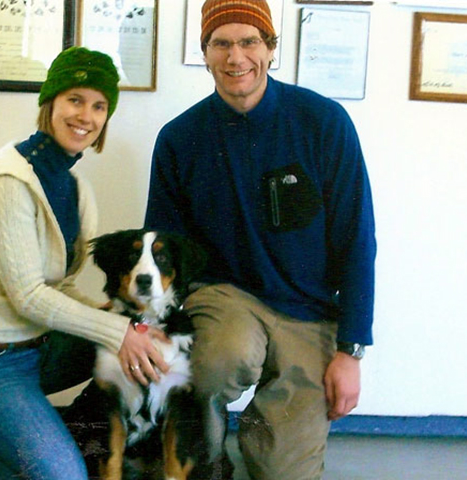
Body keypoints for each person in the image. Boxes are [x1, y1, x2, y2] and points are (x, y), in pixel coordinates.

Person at [144, 1, 377, 479]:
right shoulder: (178, 138)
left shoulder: (324, 122)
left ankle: (262, 434)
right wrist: (151, 326)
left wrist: (350, 351)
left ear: (271, 49)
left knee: (284, 473)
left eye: (249, 41)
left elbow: (357, 238)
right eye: (221, 44)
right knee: (214, 364)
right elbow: (162, 249)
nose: (236, 57)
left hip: (308, 310)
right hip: (225, 298)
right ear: (205, 53)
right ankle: (206, 459)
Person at [0, 46, 169, 480]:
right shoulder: (6, 179)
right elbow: (28, 296)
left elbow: (57, 285)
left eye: (99, 106)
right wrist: (118, 331)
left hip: (39, 349)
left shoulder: (76, 189)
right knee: (65, 476)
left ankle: (26, 425)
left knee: (146, 345)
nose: (86, 116)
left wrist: (125, 323)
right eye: (75, 100)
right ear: (50, 103)